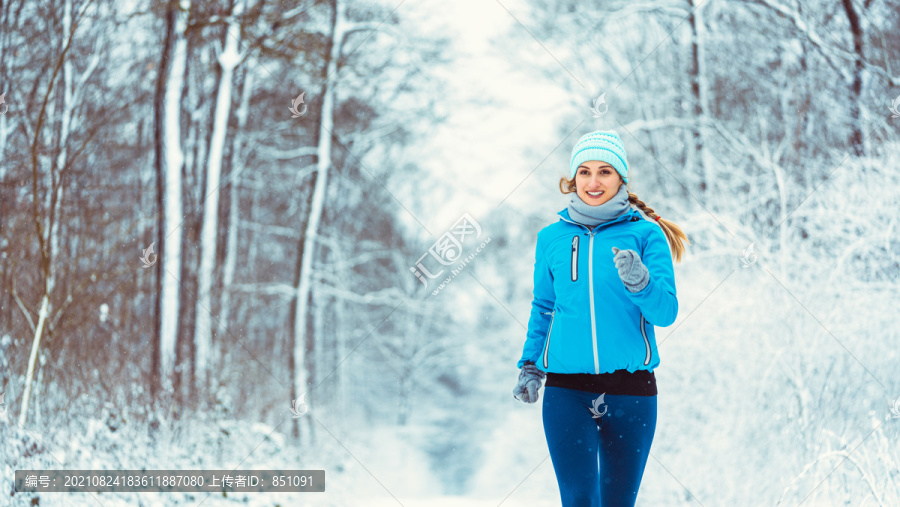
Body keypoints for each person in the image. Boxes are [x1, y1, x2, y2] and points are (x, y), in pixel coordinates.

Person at [512, 130, 689, 507]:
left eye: (605, 172)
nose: (593, 182)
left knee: (616, 502)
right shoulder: (551, 238)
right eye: (585, 172)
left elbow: (666, 311)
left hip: (632, 391)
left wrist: (640, 283)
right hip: (567, 392)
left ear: (621, 178)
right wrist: (530, 365)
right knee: (578, 500)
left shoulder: (646, 235)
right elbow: (543, 305)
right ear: (572, 179)